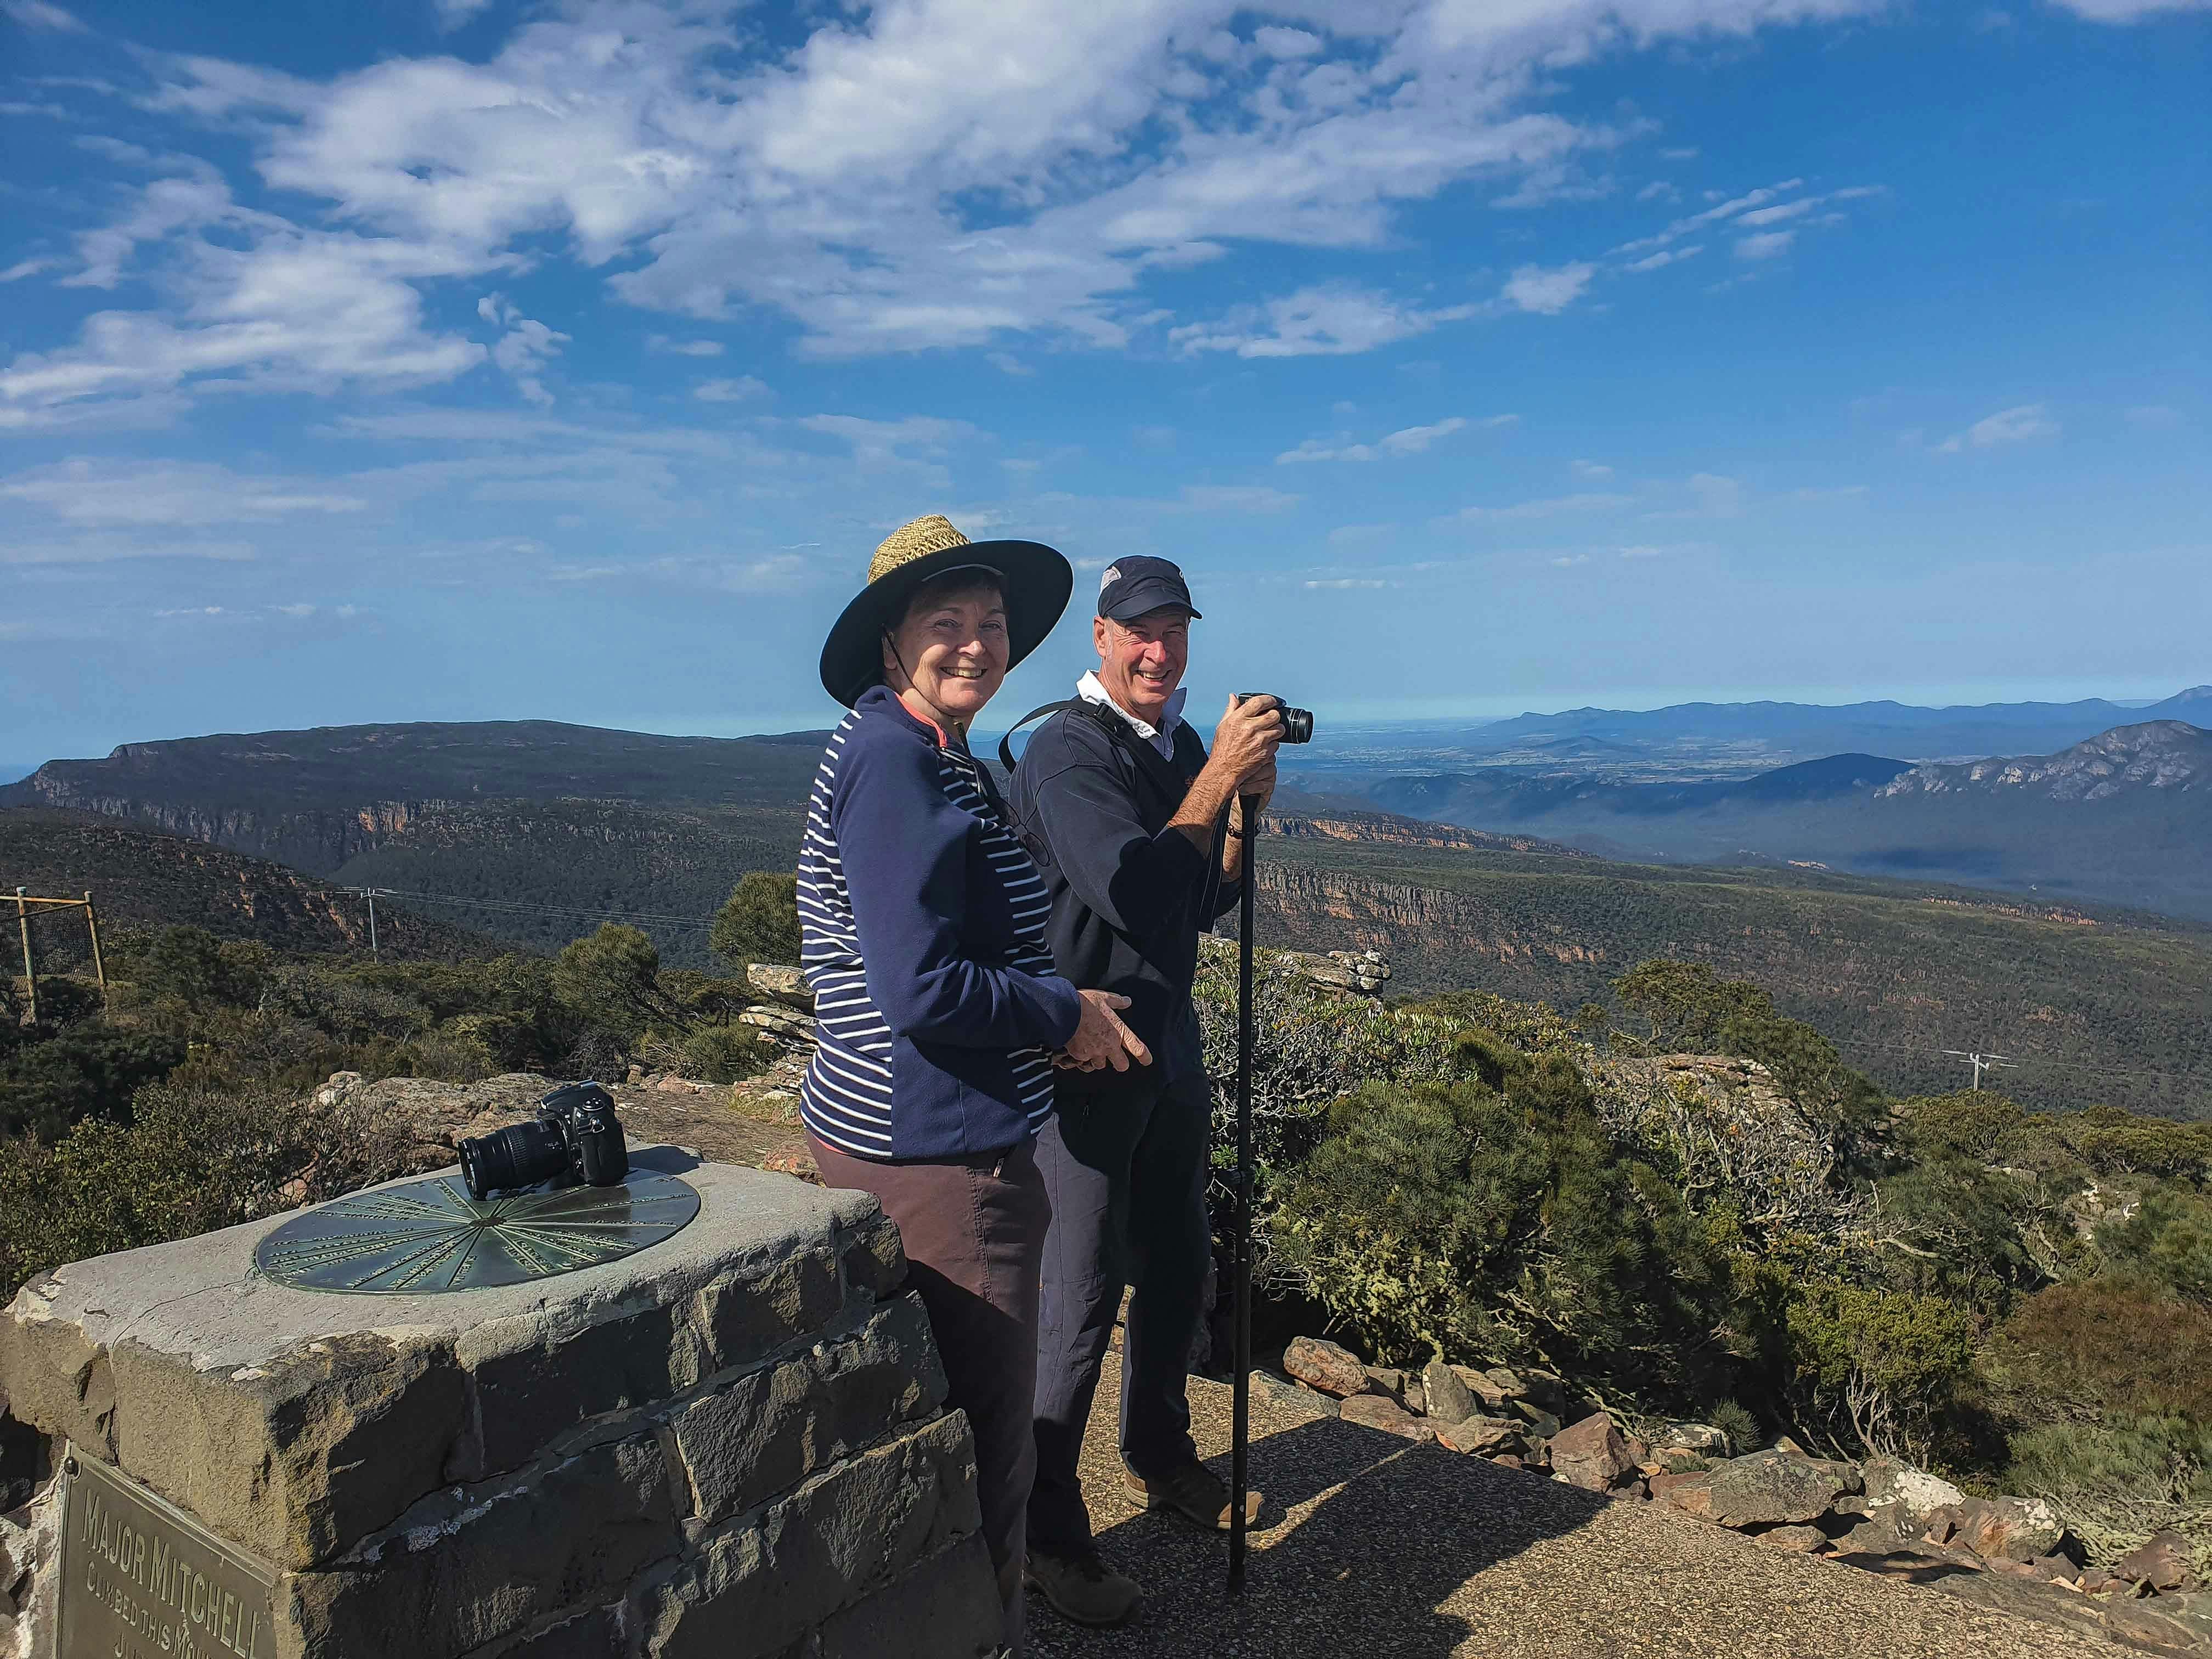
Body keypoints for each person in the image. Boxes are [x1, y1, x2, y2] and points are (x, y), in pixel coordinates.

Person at [799, 514, 1152, 1656]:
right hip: (946, 1159)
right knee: (989, 1451)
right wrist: (1063, 1015)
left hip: (913, 1129)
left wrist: (1047, 1011)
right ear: (891, 641)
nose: (975, 643)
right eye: (944, 622)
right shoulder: (895, 762)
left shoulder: (927, 751)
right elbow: (920, 988)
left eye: (991, 623)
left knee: (955, 1430)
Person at [1004, 555, 1284, 1627]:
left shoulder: (1173, 748)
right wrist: (1215, 780)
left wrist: (1242, 810)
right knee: (1077, 1301)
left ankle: (1160, 1456)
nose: (1159, 651)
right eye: (1139, 632)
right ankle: (1047, 1535)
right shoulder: (1068, 753)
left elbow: (1198, 902)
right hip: (1081, 1064)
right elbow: (1128, 891)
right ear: (1101, 639)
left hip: (1166, 1046)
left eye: (1174, 631)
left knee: (1179, 1267)